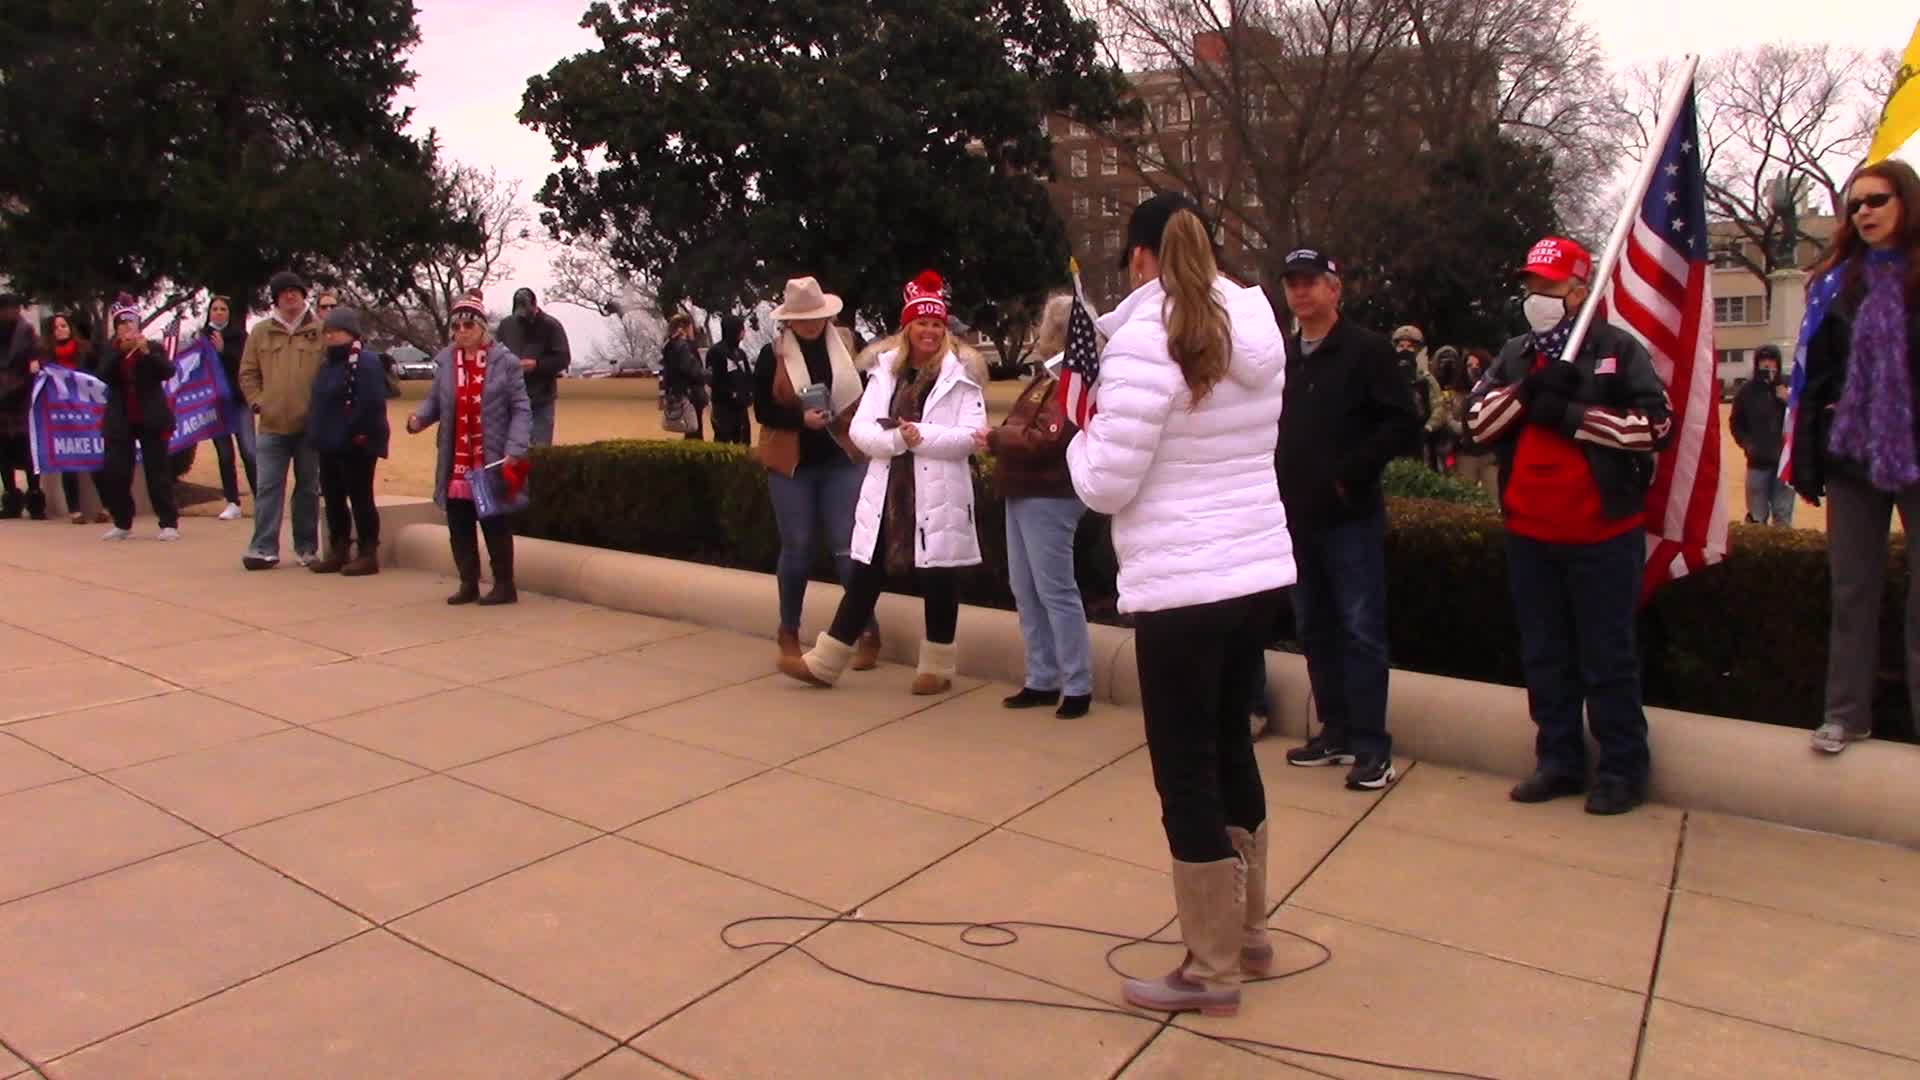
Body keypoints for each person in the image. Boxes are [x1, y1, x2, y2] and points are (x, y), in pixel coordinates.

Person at [1066, 194, 1290, 1017]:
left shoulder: (1143, 341)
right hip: (1252, 571)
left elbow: (1106, 480)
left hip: (1180, 581)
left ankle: (1210, 965)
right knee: (1231, 744)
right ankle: (1249, 932)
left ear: (1138, 259)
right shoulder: (1257, 329)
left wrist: (1075, 432)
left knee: (1185, 765)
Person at [1467, 236, 1671, 814]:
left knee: (1608, 657)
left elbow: (1655, 426)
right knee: (1545, 655)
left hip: (1602, 536)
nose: (1536, 295)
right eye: (1531, 284)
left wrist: (1576, 417)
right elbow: (1478, 424)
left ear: (1580, 291)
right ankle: (1558, 759)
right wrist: (1528, 394)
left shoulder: (1617, 350)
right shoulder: (1514, 354)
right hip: (1531, 534)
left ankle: (1623, 769)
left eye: (1549, 286)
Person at [779, 270, 986, 696]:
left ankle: (938, 664)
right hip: (888, 490)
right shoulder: (884, 374)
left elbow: (971, 436)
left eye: (936, 324)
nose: (929, 332)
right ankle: (827, 660)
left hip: (940, 491)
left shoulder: (962, 377)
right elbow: (861, 431)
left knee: (939, 576)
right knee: (866, 571)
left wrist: (920, 435)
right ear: (906, 328)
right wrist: (896, 439)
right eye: (921, 324)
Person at [1785, 160, 1920, 755]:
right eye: (1855, 203)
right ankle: (1845, 713)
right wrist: (1809, 462)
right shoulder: (1834, 284)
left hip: (1916, 450)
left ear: (1906, 204)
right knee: (1852, 589)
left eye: (1876, 200)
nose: (1863, 212)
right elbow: (1813, 378)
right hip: (1851, 458)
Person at [1277, 250, 1421, 792]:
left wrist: (1348, 473)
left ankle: (1370, 747)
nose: (1301, 292)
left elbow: (1402, 425)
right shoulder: (1286, 356)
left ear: (1335, 289)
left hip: (1349, 516)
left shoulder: (1366, 351)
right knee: (1313, 625)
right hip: (1298, 517)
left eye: (1311, 282)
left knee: (1360, 630)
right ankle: (1334, 732)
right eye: (1292, 283)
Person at [754, 277, 880, 666]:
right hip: (793, 464)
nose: (811, 324)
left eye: (817, 317)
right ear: (788, 321)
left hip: (840, 457)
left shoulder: (845, 347)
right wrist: (799, 418)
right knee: (798, 548)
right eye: (802, 319)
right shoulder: (770, 356)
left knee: (849, 547)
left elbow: (868, 392)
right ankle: (788, 630)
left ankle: (867, 631)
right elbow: (763, 410)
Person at [986, 293, 1093, 719]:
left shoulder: (1071, 379)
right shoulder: (1048, 377)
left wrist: (996, 438)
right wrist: (1004, 435)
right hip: (1023, 487)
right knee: (1026, 589)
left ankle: (1077, 683)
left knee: (1054, 590)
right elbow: (1024, 425)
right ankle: (1042, 677)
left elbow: (1049, 436)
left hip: (1050, 491)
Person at [407, 289, 530, 605]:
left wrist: (514, 449)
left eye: (469, 325)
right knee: (459, 523)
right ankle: (467, 582)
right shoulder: (447, 362)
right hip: (456, 459)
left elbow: (520, 408)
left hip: (488, 458)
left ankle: (504, 584)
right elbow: (436, 402)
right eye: (456, 326)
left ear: (482, 327)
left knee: (493, 522)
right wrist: (419, 419)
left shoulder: (505, 363)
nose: (462, 332)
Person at [239, 271, 325, 570]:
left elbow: (329, 375)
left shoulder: (320, 330)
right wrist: (257, 401)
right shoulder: (261, 332)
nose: (291, 296)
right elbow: (248, 373)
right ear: (275, 299)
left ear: (304, 295)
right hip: (272, 426)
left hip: (309, 427)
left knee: (308, 489)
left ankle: (306, 548)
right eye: (284, 292)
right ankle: (263, 547)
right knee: (268, 488)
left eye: (296, 291)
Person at [306, 307, 389, 576]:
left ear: (352, 333)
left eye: (337, 331)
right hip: (328, 442)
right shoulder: (326, 364)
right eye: (327, 331)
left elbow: (372, 402)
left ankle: (368, 551)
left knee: (360, 496)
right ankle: (339, 548)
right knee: (333, 497)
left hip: (357, 442)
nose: (331, 336)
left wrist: (358, 433)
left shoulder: (365, 362)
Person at [90, 296, 178, 541]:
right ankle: (122, 522)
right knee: (116, 471)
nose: (128, 328)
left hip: (151, 418)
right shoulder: (111, 351)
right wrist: (120, 352)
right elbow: (103, 375)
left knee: (157, 471)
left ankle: (168, 522)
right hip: (120, 420)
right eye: (122, 324)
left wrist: (146, 352)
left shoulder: (152, 347)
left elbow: (168, 371)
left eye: (131, 323)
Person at [39, 314, 105, 524]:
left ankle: (106, 507)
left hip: (87, 412)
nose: (60, 329)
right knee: (69, 460)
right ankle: (75, 510)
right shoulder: (46, 356)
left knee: (95, 456)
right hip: (62, 416)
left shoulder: (85, 350)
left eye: (63, 325)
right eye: (55, 327)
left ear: (70, 328)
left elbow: (98, 375)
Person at [201, 295, 255, 521]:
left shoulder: (240, 336)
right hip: (216, 405)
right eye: (215, 308)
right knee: (224, 454)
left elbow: (246, 365)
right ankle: (232, 501)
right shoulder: (202, 338)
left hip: (240, 401)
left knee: (249, 451)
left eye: (223, 309)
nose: (219, 312)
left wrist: (223, 351)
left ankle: (261, 498)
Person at [496, 287, 571, 448]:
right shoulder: (506, 325)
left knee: (540, 451)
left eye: (527, 314)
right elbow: (495, 356)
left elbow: (563, 359)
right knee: (510, 451)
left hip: (541, 399)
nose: (524, 318)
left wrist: (537, 365)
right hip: (511, 399)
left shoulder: (551, 326)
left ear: (535, 306)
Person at [1730, 345, 1792, 526]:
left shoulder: (1789, 387)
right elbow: (1736, 423)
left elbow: (1802, 418)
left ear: (1778, 364)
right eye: (1763, 361)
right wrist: (1747, 445)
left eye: (1772, 360)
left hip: (1784, 464)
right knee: (1757, 517)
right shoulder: (1746, 392)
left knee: (1783, 515)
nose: (1768, 365)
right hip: (1757, 463)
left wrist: (1788, 401)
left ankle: (1783, 553)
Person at [0, 294, 43, 520]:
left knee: (28, 453)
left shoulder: (27, 335)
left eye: (13, 309)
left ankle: (35, 498)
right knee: (3, 454)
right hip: (2, 407)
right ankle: (11, 499)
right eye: (5, 309)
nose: (10, 313)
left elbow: (36, 366)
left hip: (22, 402)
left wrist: (17, 386)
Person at [1391, 325, 1446, 467]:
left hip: (1420, 440)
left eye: (1409, 346)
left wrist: (1428, 428)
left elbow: (1439, 407)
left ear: (1417, 350)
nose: (1404, 349)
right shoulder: (1387, 375)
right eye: (1401, 345)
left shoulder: (1425, 378)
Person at [1455, 347, 1501, 496]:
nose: (1473, 369)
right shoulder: (1457, 395)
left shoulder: (1494, 393)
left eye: (1477, 365)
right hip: (1466, 454)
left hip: (1490, 455)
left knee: (1493, 499)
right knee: (1464, 499)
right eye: (1469, 366)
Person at [705, 315, 754, 446]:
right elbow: (712, 379)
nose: (744, 332)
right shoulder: (716, 352)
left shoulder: (740, 353)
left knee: (744, 443)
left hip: (741, 408)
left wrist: (749, 394)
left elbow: (748, 376)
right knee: (723, 444)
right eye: (741, 329)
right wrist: (731, 394)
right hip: (723, 408)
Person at [659, 313, 709, 440]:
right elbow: (690, 369)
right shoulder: (683, 346)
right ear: (685, 328)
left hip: (678, 392)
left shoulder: (669, 346)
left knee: (690, 429)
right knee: (694, 429)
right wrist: (706, 374)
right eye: (691, 327)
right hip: (690, 393)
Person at [1427, 345, 1468, 474]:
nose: (1447, 362)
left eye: (1451, 359)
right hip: (1432, 441)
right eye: (1443, 359)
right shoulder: (1428, 387)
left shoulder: (1463, 393)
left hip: (1456, 448)